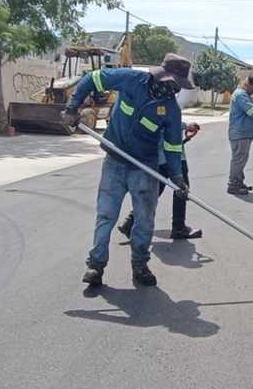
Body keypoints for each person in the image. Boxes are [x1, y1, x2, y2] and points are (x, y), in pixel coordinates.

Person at [68, 53, 192, 286]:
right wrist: (72, 106)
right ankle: (96, 266)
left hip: (145, 168)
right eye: (174, 84)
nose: (175, 90)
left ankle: (140, 265)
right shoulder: (131, 80)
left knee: (144, 220)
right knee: (106, 215)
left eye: (178, 86)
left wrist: (177, 177)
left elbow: (173, 146)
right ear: (162, 77)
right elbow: (92, 78)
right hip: (115, 161)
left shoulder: (171, 110)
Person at [120, 122, 203, 241]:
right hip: (174, 158)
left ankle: (129, 222)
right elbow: (170, 119)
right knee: (181, 190)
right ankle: (179, 227)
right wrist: (186, 126)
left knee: (154, 192)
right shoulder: (166, 105)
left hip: (158, 158)